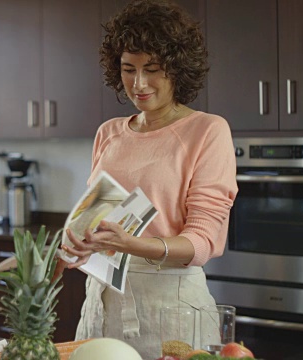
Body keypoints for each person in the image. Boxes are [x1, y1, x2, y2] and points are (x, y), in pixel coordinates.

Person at [58, 0, 239, 358]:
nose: (138, 84)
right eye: (128, 69)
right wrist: (60, 254)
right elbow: (92, 223)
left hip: (173, 313)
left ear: (177, 69)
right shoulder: (108, 133)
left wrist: (134, 244)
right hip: (101, 310)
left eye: (152, 69)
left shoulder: (207, 130)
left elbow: (202, 243)